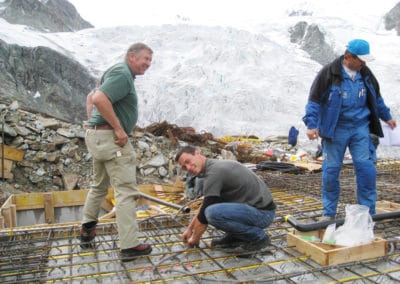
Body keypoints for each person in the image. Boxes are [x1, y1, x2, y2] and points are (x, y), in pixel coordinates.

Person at [302, 39, 396, 220]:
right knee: (331, 170)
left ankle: (368, 212)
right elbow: (314, 100)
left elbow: (376, 98)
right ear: (348, 57)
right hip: (335, 129)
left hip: (360, 127)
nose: (363, 63)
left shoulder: (366, 74)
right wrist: (311, 124)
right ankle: (329, 213)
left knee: (366, 168)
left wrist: (387, 116)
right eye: (360, 60)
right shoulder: (329, 74)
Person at [79, 42, 153, 262]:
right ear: (132, 56)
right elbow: (99, 98)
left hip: (97, 138)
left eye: (150, 61)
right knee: (125, 191)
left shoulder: (115, 71)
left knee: (98, 185)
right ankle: (129, 245)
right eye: (145, 59)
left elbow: (91, 97)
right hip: (113, 140)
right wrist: (118, 129)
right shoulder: (123, 73)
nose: (148, 64)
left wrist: (94, 123)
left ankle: (87, 231)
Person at [175, 145, 276, 252]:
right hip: (255, 210)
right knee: (210, 209)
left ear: (197, 153)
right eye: (185, 167)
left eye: (188, 161)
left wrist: (195, 239)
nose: (189, 168)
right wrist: (189, 229)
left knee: (212, 213)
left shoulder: (214, 172)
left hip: (263, 214)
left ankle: (259, 238)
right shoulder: (212, 167)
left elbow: (204, 216)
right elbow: (206, 204)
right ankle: (237, 236)